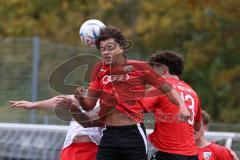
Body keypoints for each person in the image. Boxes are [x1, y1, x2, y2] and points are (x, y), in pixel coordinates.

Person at [74, 26, 190, 160]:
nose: (106, 52)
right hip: (109, 136)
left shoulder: (139, 67)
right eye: (102, 49)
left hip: (133, 134)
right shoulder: (98, 71)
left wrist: (182, 106)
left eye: (110, 48)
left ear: (122, 47)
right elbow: (89, 105)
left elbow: (168, 88)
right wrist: (81, 98)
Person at [143, 51, 202, 160]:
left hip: (170, 153)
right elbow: (198, 125)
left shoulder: (161, 87)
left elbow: (135, 108)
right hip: (192, 155)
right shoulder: (192, 92)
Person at [9, 95, 102, 160]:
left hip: (91, 150)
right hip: (69, 148)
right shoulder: (89, 95)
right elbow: (59, 101)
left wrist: (73, 108)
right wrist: (32, 105)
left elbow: (89, 121)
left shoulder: (111, 102)